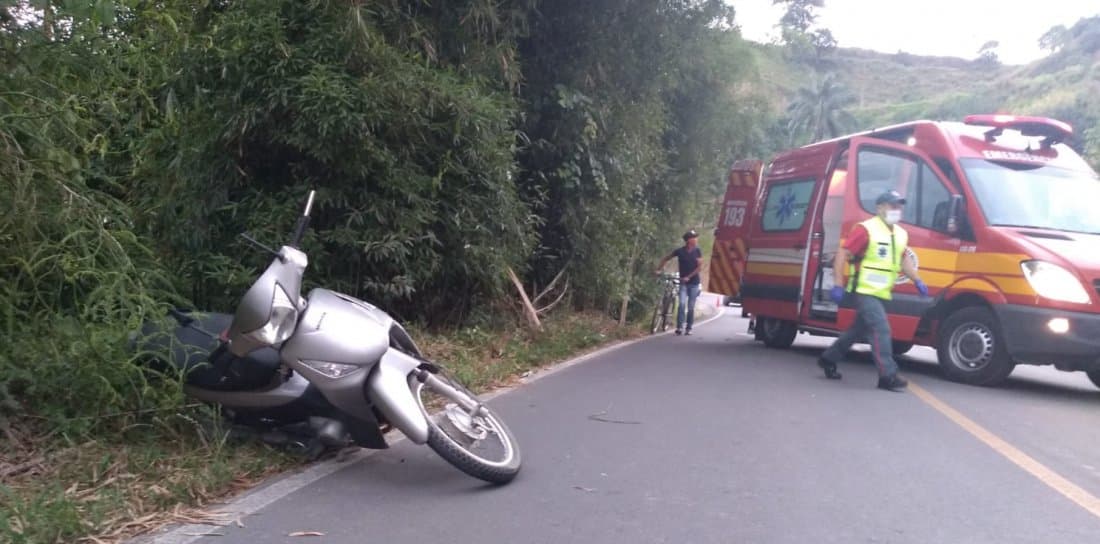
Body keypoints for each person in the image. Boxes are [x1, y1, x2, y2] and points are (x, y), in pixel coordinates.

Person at [817, 190, 929, 392]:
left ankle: (828, 358)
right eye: (892, 205)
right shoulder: (866, 230)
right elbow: (843, 253)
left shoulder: (900, 233)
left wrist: (918, 280)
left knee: (857, 331)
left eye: (899, 206)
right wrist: (838, 283)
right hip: (864, 290)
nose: (897, 209)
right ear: (879, 208)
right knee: (881, 329)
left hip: (882, 292)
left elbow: (904, 259)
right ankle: (888, 375)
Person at [656, 229, 703, 335]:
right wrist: (659, 269)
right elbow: (666, 258)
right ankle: (679, 327)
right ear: (688, 240)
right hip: (683, 283)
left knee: (691, 306)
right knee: (681, 304)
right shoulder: (680, 251)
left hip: (694, 283)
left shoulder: (697, 251)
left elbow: (699, 267)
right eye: (694, 238)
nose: (696, 239)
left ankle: (689, 327)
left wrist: (688, 277)